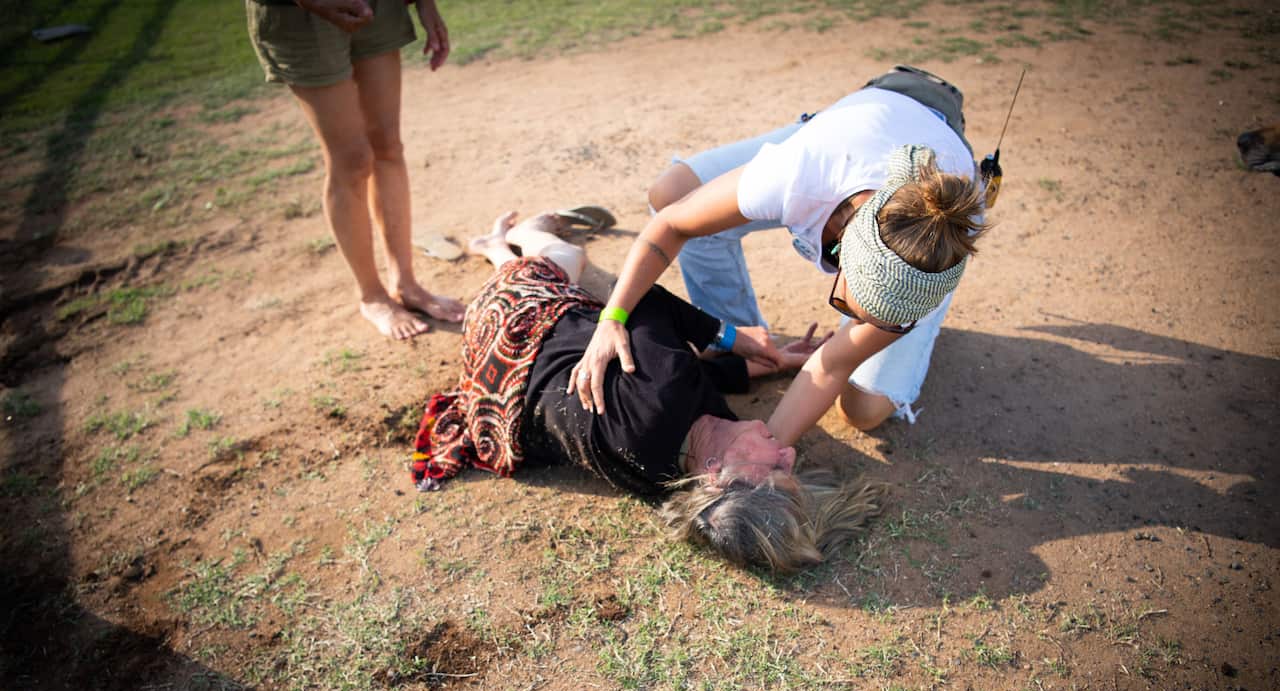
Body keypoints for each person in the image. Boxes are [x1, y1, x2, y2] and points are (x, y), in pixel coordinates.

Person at [410, 212, 883, 573]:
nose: (789, 456)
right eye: (790, 469)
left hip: (513, 330)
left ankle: (522, 237)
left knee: (573, 265)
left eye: (774, 470)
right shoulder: (676, 470)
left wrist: (737, 339)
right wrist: (768, 364)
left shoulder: (666, 394)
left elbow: (646, 300)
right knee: (610, 317)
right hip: (497, 407)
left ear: (715, 475)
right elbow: (693, 381)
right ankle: (497, 249)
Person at [568, 66, 989, 445]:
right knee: (671, 195)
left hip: (914, 158)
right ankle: (735, 333)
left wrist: (764, 448)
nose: (858, 323)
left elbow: (830, 365)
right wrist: (613, 318)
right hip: (852, 124)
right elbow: (673, 223)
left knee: (862, 410)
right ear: (841, 247)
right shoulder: (800, 175)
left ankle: (912, 335)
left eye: (877, 319)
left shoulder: (929, 263)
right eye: (850, 304)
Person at [245, 0, 466, 340]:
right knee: (351, 159)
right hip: (299, 13)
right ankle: (372, 295)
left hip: (378, 6)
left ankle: (405, 282)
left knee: (388, 146)